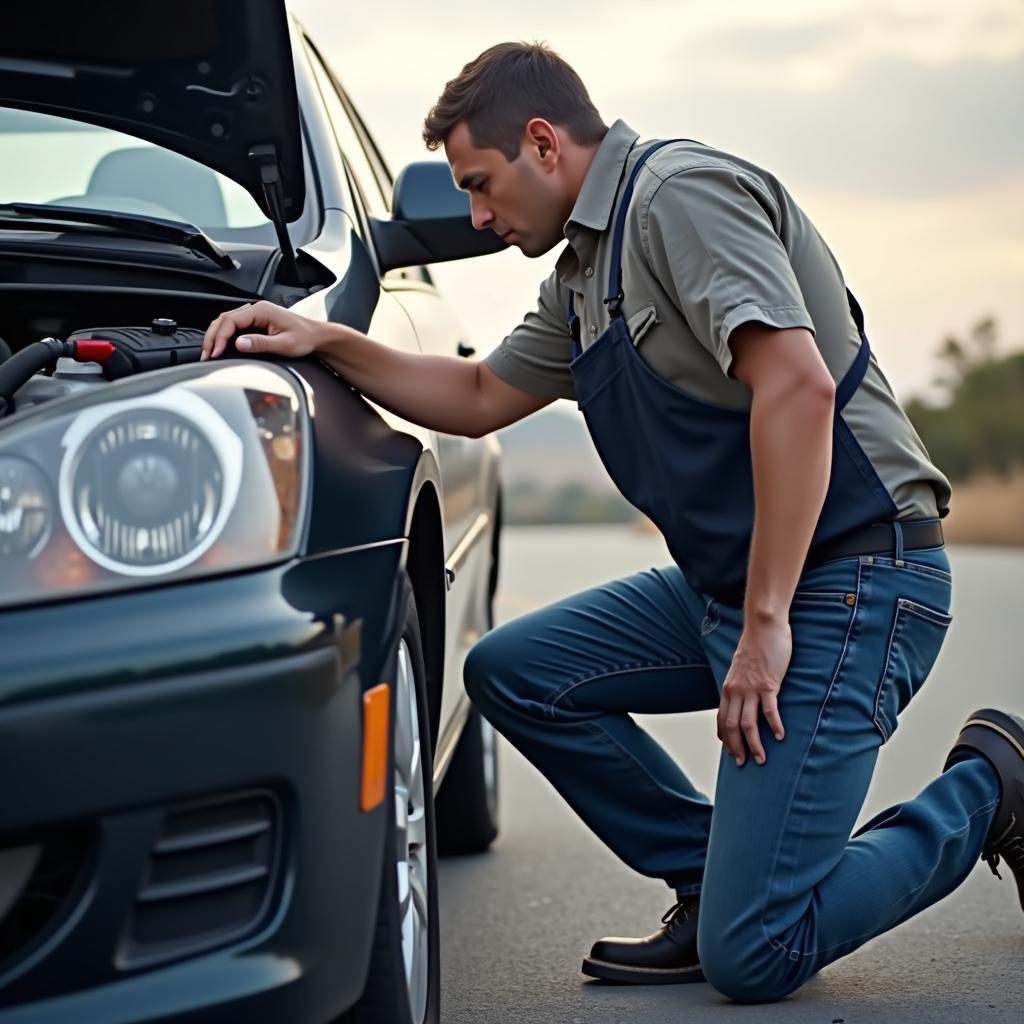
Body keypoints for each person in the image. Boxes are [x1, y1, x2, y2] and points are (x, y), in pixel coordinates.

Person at [201, 42, 1023, 1002]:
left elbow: (794, 388)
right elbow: (475, 393)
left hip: (854, 583)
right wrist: (327, 338)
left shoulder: (680, 198)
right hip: (739, 586)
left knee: (755, 954)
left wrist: (765, 628)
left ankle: (991, 790)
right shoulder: (584, 275)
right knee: (515, 673)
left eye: (480, 183)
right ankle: (719, 877)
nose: (475, 215)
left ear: (543, 143)